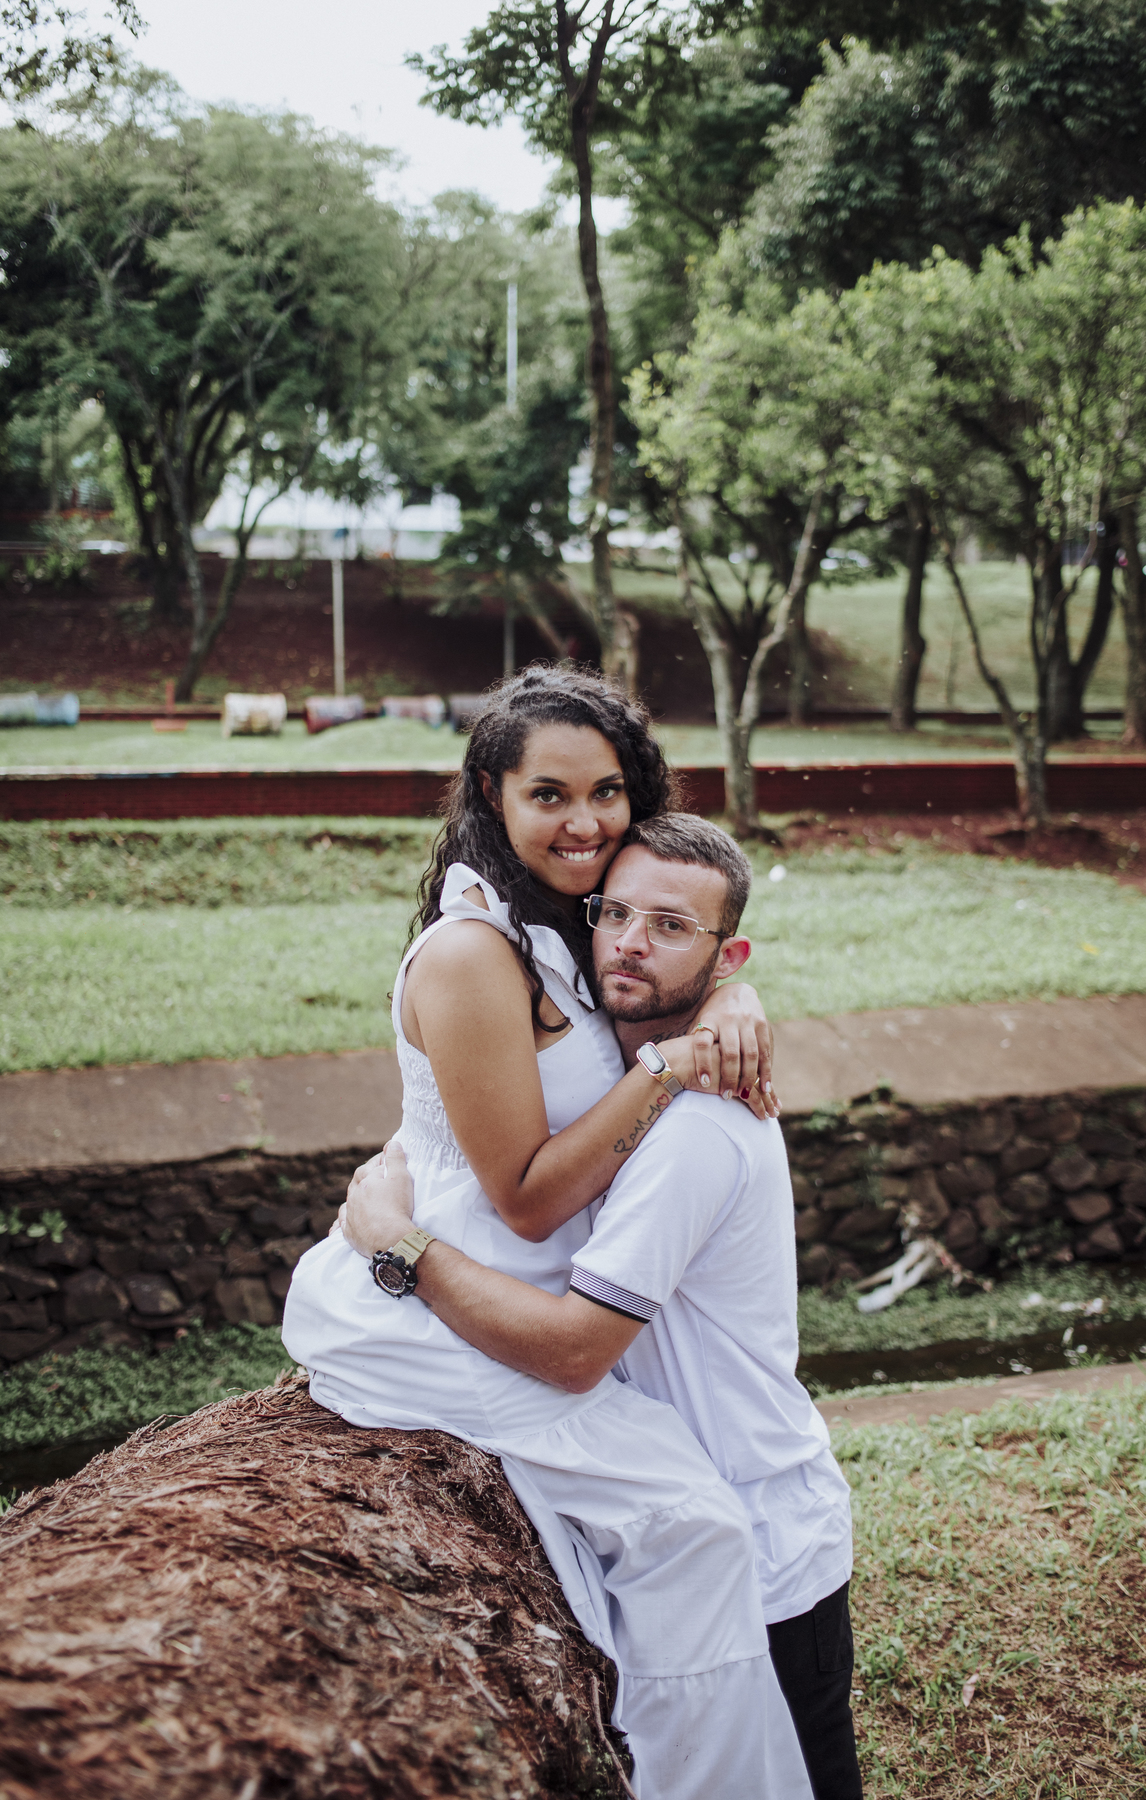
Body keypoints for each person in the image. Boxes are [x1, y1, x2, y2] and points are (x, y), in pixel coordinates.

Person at [283, 667, 809, 1800]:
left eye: (607, 792)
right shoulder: (473, 952)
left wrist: (732, 998)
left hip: (531, 1297)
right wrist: (670, 1069)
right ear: (493, 792)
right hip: (452, 1304)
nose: (585, 822)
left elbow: (668, 956)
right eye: (550, 795)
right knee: (693, 1525)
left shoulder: (570, 917)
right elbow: (525, 1197)